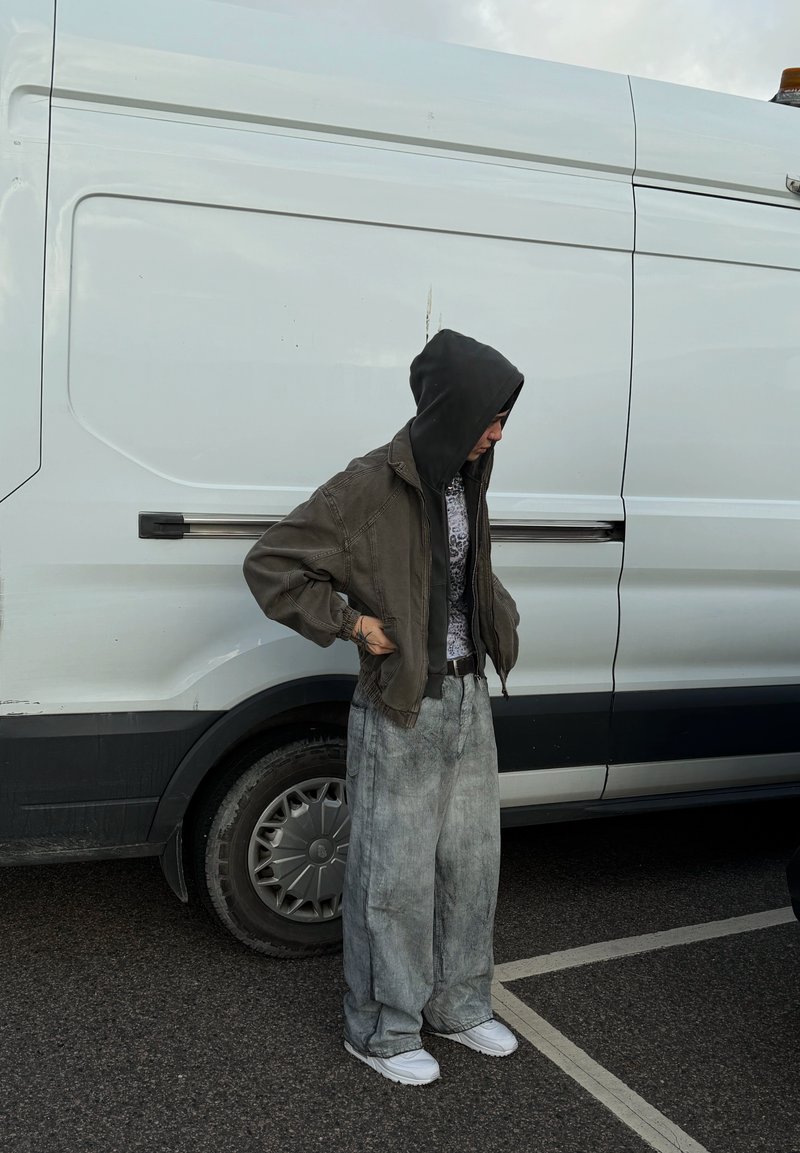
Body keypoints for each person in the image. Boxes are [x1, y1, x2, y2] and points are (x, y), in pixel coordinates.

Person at [243, 328, 523, 1085]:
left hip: (467, 694)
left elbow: (457, 571)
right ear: (451, 409)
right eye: (489, 415)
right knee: (390, 878)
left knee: (471, 866)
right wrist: (353, 624)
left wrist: (497, 613)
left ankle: (459, 1006)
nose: (498, 430)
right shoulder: (369, 484)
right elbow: (272, 562)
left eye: (503, 416)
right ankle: (381, 1029)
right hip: (402, 704)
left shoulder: (468, 474)